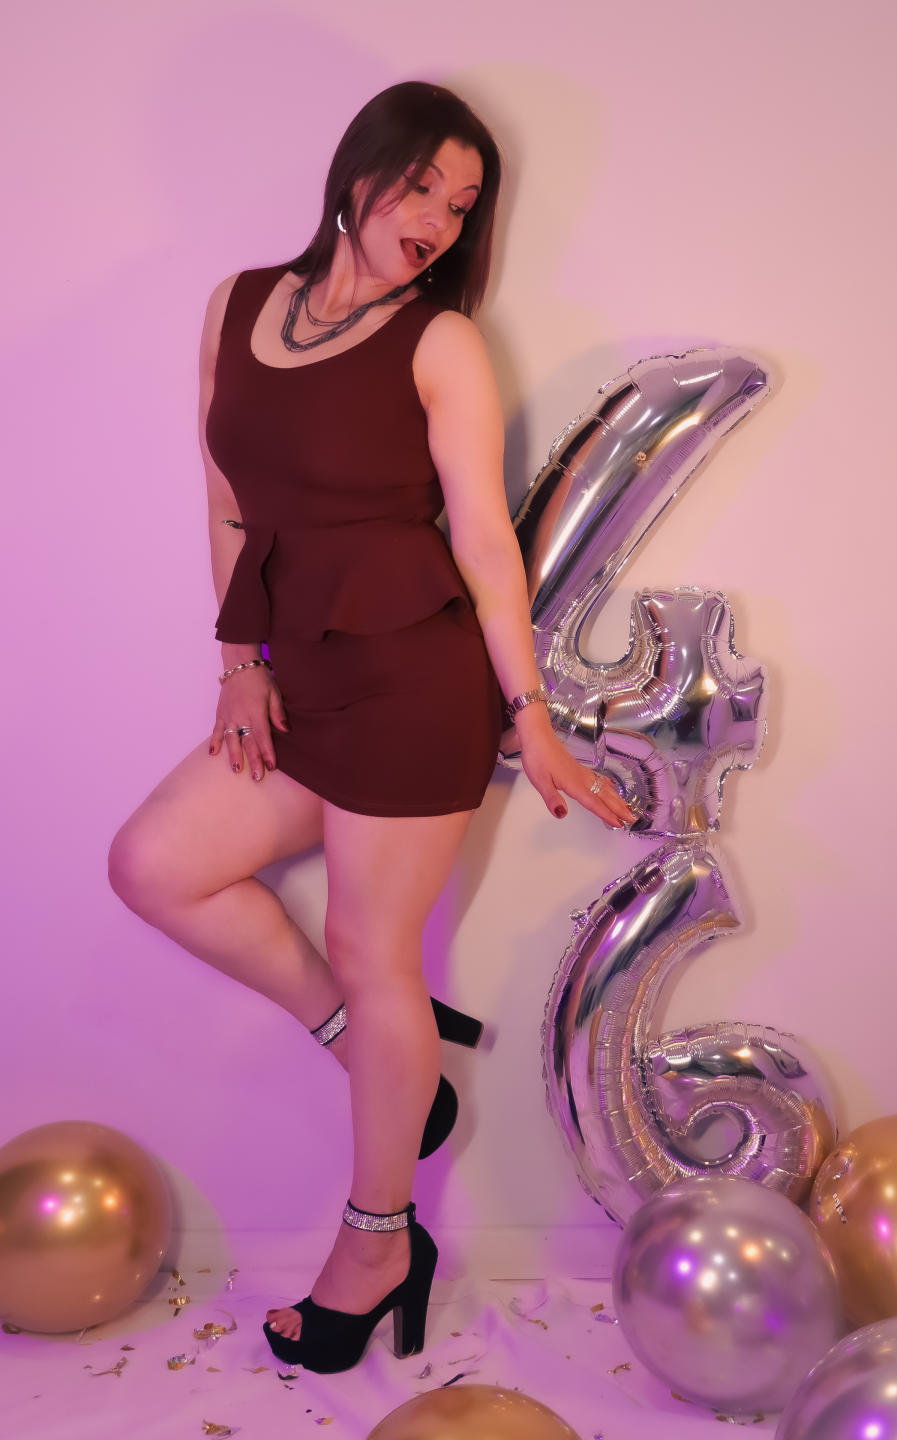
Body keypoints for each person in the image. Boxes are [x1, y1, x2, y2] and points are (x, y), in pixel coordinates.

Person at [108, 80, 635, 1376]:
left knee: (371, 946)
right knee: (154, 864)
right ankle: (380, 1058)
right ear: (361, 173)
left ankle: (377, 1242)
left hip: (413, 683)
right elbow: (228, 502)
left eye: (465, 205)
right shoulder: (236, 306)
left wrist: (532, 718)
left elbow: (486, 544)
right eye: (425, 186)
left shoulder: (439, 343)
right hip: (296, 687)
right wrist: (239, 663)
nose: (441, 220)